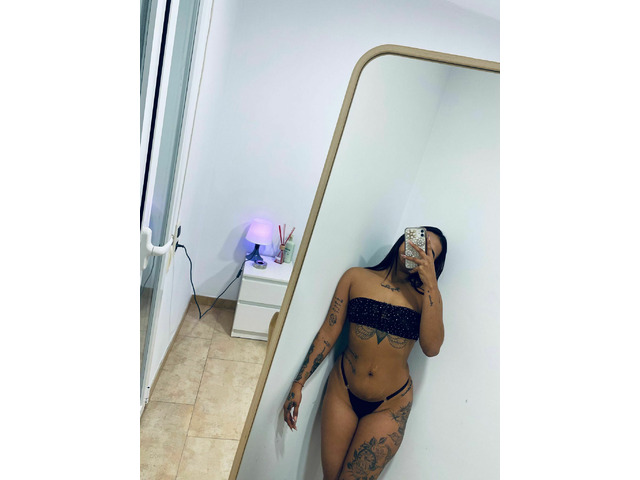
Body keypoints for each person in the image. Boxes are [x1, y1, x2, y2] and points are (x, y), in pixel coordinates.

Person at [283, 226, 447, 480]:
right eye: (418, 241)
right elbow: (328, 332)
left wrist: (431, 286)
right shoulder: (356, 277)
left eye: (429, 253)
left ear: (433, 265)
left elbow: (432, 348)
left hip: (390, 405)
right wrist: (298, 383)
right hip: (343, 392)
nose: (419, 252)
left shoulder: (426, 298)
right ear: (405, 239)